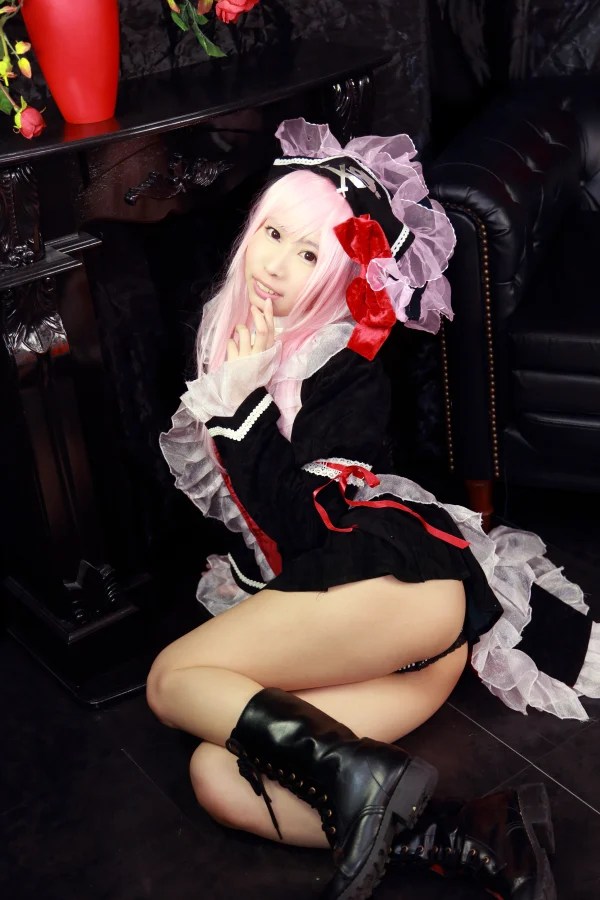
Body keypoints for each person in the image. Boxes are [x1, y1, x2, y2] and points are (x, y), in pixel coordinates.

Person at [147, 119, 598, 900]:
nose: (276, 266)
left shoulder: (345, 372)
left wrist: (242, 405)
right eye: (274, 235)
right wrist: (237, 388)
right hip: (366, 637)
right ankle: (476, 831)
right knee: (217, 774)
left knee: (170, 681)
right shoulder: (231, 340)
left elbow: (303, 523)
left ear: (337, 274)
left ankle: (369, 786)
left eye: (310, 254)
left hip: (403, 592)